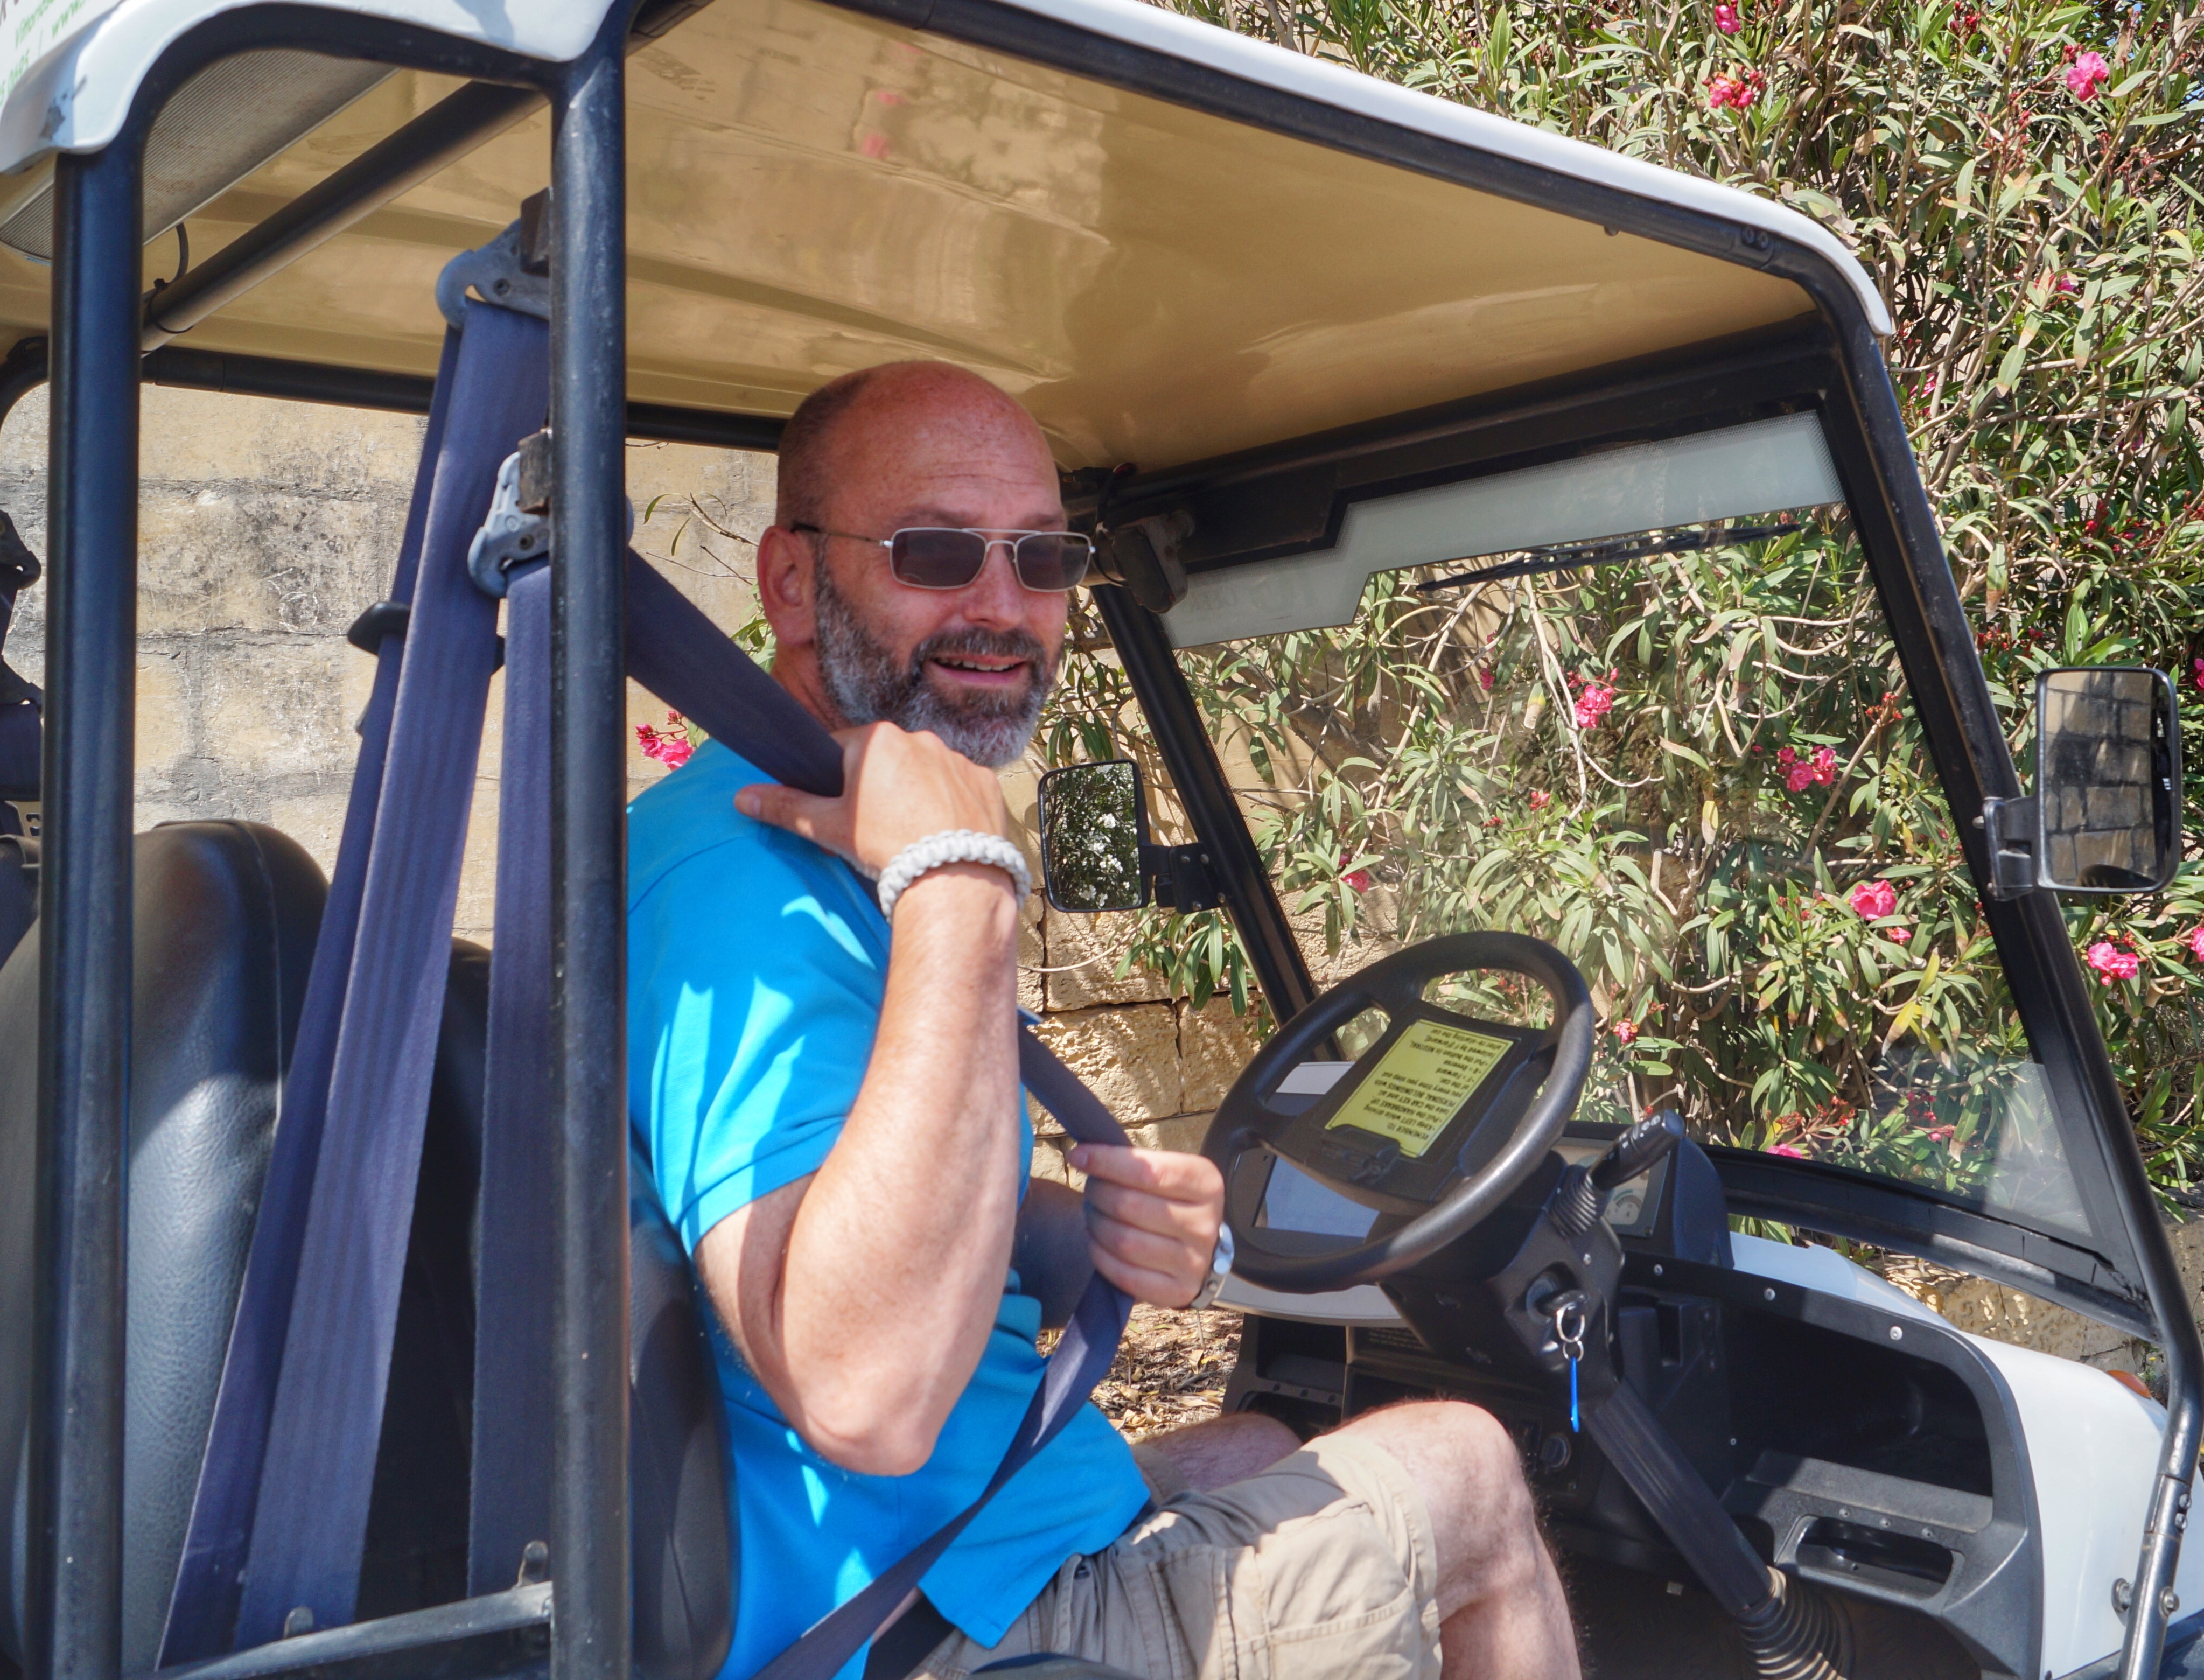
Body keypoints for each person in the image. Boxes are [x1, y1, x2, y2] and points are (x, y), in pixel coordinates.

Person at [626, 361, 1578, 1680]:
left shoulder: (835, 826)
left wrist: (1083, 1230)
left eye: (1042, 555)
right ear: (792, 579)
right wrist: (963, 893)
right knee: (1470, 1469)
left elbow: (830, 1199)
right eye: (938, 550)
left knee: (1252, 1447)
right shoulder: (752, 887)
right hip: (918, 1630)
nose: (1003, 606)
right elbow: (866, 1395)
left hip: (976, 1537)